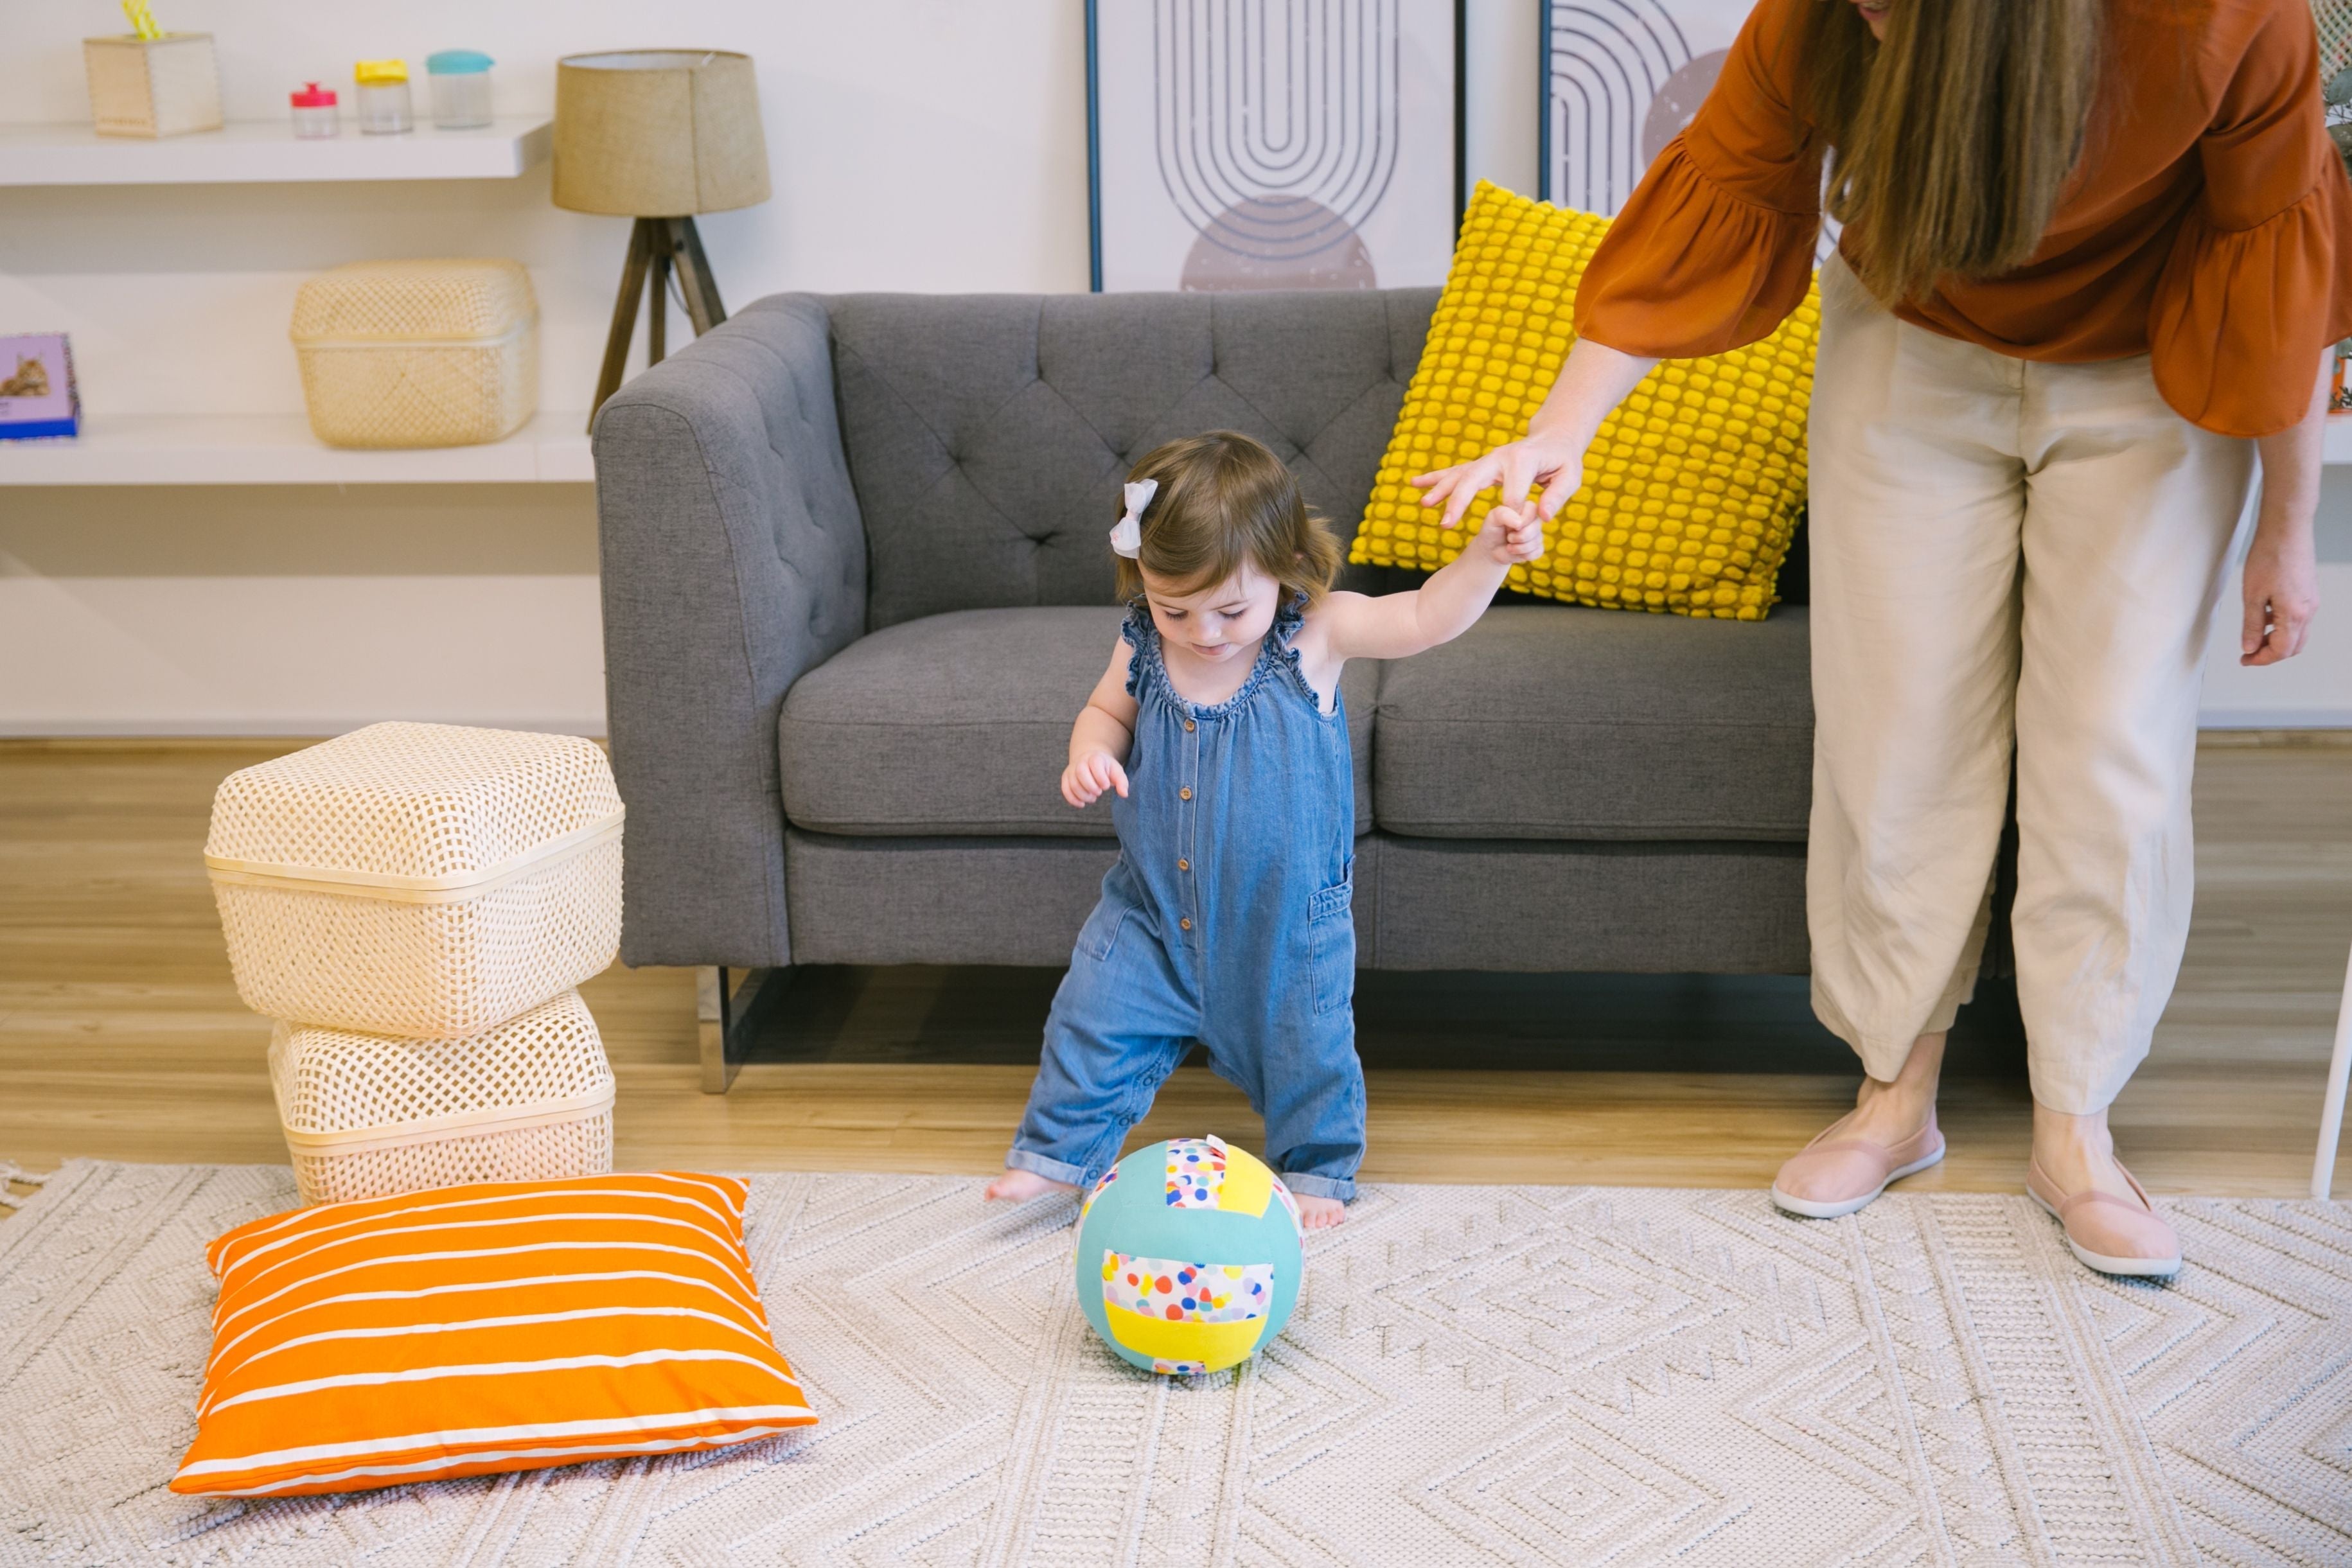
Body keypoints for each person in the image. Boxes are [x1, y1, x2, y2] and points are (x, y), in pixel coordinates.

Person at [1415, 0, 2348, 1276]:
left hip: (2149, 365)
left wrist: (2285, 531)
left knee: (2109, 753)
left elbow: (2274, 260)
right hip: (1910, 344)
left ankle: (2075, 1127)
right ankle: (1890, 1095)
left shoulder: (2223, 20)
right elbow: (1723, 192)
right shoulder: (1819, 15)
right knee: (1892, 734)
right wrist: (1562, 431)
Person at [986, 431, 1544, 1228]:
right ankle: (1054, 1155)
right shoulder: (1143, 640)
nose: (1203, 631)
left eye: (1230, 609)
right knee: (1090, 1017)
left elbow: (1425, 616)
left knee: (1307, 1048)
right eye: (1173, 606)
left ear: (1284, 569)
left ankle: (1317, 1169)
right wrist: (1089, 754)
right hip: (1149, 911)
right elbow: (1108, 709)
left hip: (1285, 924)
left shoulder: (1314, 635)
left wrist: (1488, 557)